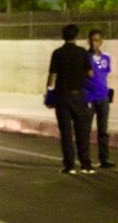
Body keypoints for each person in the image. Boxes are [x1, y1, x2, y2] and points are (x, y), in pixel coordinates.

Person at [46, 23, 94, 173]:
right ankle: (86, 164)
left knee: (66, 132)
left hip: (62, 96)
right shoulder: (82, 53)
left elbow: (52, 76)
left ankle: (69, 165)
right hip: (79, 96)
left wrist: (49, 94)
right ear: (76, 36)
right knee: (82, 131)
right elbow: (90, 74)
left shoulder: (57, 53)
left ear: (63, 36)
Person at [86, 29, 114, 168]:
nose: (94, 43)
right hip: (89, 97)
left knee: (103, 130)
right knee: (85, 130)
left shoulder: (106, 58)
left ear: (101, 41)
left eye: (97, 40)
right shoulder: (85, 57)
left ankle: (104, 159)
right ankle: (85, 159)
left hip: (103, 97)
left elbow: (104, 75)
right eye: (92, 40)